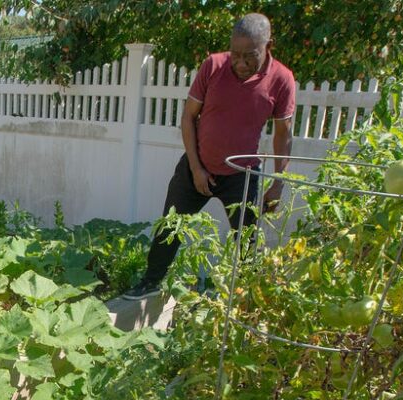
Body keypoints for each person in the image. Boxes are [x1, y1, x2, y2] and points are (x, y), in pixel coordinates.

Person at [122, 13, 295, 300]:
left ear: (268, 45)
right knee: (170, 227)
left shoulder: (282, 80)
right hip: (197, 167)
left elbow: (283, 134)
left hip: (243, 174)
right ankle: (150, 283)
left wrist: (278, 182)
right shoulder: (214, 65)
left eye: (249, 56)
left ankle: (247, 300)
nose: (240, 63)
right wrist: (196, 167)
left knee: (248, 242)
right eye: (235, 54)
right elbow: (188, 118)